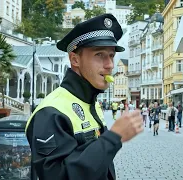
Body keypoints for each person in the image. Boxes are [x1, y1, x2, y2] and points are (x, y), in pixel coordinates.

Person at [25, 14, 143, 180]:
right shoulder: (51, 112)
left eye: (111, 55)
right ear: (75, 59)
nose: (109, 65)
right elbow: (58, 176)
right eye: (99, 55)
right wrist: (113, 138)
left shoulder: (91, 102)